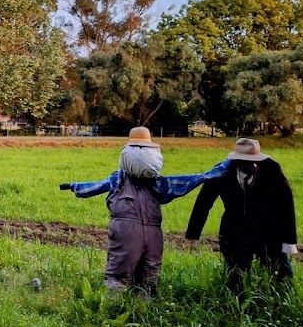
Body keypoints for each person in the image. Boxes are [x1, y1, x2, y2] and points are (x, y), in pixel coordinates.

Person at [60, 127, 230, 296]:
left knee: (119, 272)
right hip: (153, 233)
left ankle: (112, 305)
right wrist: (222, 168)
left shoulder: (118, 179)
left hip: (125, 231)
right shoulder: (158, 184)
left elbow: (96, 186)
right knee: (149, 274)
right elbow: (190, 180)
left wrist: (74, 186)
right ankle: (143, 304)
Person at [185, 138, 296, 293]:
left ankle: (282, 299)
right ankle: (236, 301)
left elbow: (286, 203)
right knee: (235, 277)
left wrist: (289, 240)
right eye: (245, 162)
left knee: (282, 275)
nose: (250, 165)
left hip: (268, 231)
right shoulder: (221, 172)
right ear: (236, 161)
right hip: (234, 231)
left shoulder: (271, 169)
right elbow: (204, 201)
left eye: (254, 161)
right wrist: (193, 232)